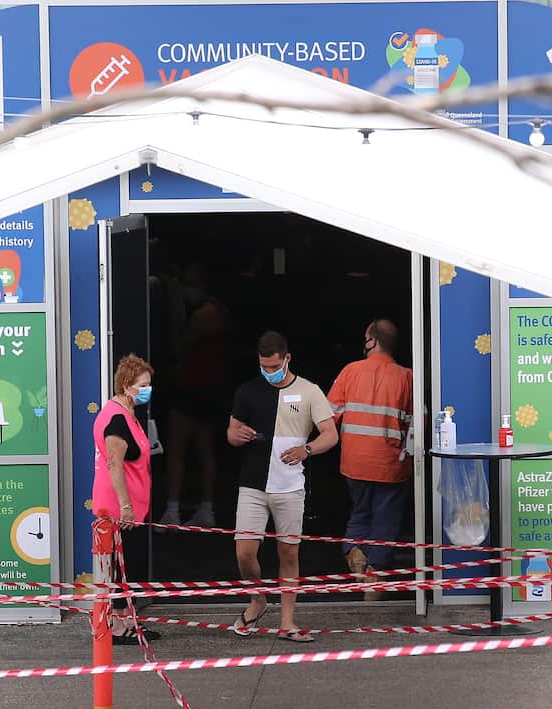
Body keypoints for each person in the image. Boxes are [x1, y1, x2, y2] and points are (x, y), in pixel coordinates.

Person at [227, 331, 338, 642]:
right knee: (244, 553)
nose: (268, 371)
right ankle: (259, 598)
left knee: (288, 553)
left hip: (289, 485)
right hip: (252, 484)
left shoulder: (309, 391)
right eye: (263, 366)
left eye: (274, 366)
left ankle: (287, 622)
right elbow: (231, 433)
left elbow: (330, 434)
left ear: (288, 359)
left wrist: (308, 450)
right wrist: (239, 436)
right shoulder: (247, 391)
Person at [327, 320, 414, 592]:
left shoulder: (350, 371)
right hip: (391, 466)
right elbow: (417, 426)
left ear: (372, 341)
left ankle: (354, 550)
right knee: (385, 522)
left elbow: (329, 416)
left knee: (360, 513)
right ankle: (373, 576)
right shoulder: (407, 377)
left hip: (355, 462)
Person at [92, 354, 160, 644]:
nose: (147, 389)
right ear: (126, 385)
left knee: (127, 567)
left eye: (149, 384)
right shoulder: (116, 419)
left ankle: (129, 623)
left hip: (130, 507)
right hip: (120, 508)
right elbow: (114, 465)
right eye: (142, 385)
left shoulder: (127, 414)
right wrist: (126, 506)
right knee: (122, 567)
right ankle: (118, 628)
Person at [160, 264, 230, 528]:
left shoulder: (205, 313)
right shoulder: (220, 310)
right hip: (211, 387)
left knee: (178, 448)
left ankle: (173, 510)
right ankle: (206, 509)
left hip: (193, 387)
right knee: (205, 450)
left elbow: (182, 346)